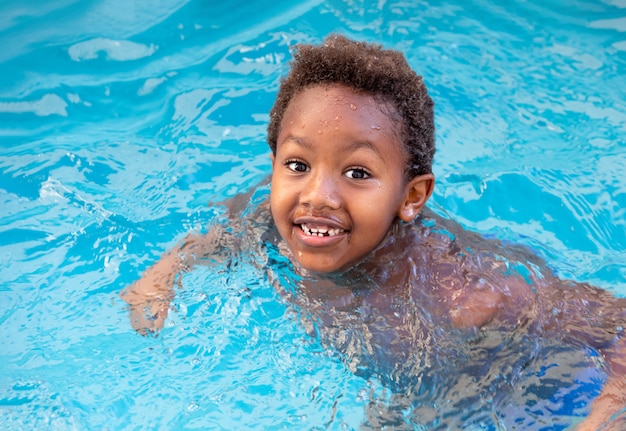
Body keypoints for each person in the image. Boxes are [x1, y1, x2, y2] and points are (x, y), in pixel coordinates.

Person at [121, 35, 626, 430]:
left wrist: (601, 420)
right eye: (297, 164)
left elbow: (617, 326)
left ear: (411, 197)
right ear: (274, 165)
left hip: (504, 386)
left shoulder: (462, 293)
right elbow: (227, 232)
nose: (317, 194)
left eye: (357, 173)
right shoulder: (275, 213)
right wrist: (165, 273)